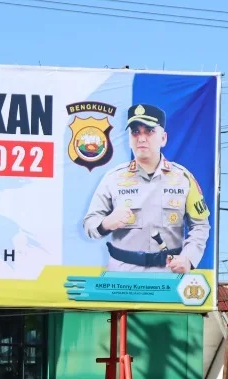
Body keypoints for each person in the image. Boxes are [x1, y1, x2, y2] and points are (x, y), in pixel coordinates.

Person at [82, 103, 211, 273]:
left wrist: (188, 258)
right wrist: (106, 223)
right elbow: (89, 224)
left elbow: (200, 225)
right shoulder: (113, 178)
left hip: (168, 275)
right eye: (135, 132)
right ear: (129, 138)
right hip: (121, 277)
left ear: (163, 138)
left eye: (149, 131)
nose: (141, 138)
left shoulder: (183, 178)